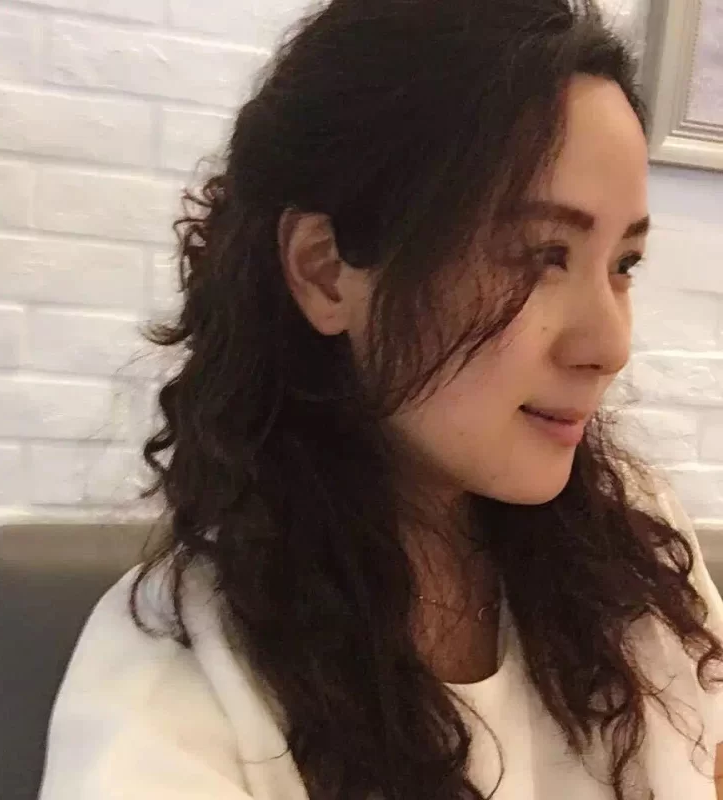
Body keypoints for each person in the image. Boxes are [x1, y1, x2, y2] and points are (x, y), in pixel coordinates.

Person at [38, 1, 723, 798]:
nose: (608, 346)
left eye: (623, 265)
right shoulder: (179, 701)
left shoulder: (631, 547)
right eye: (542, 255)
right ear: (327, 271)